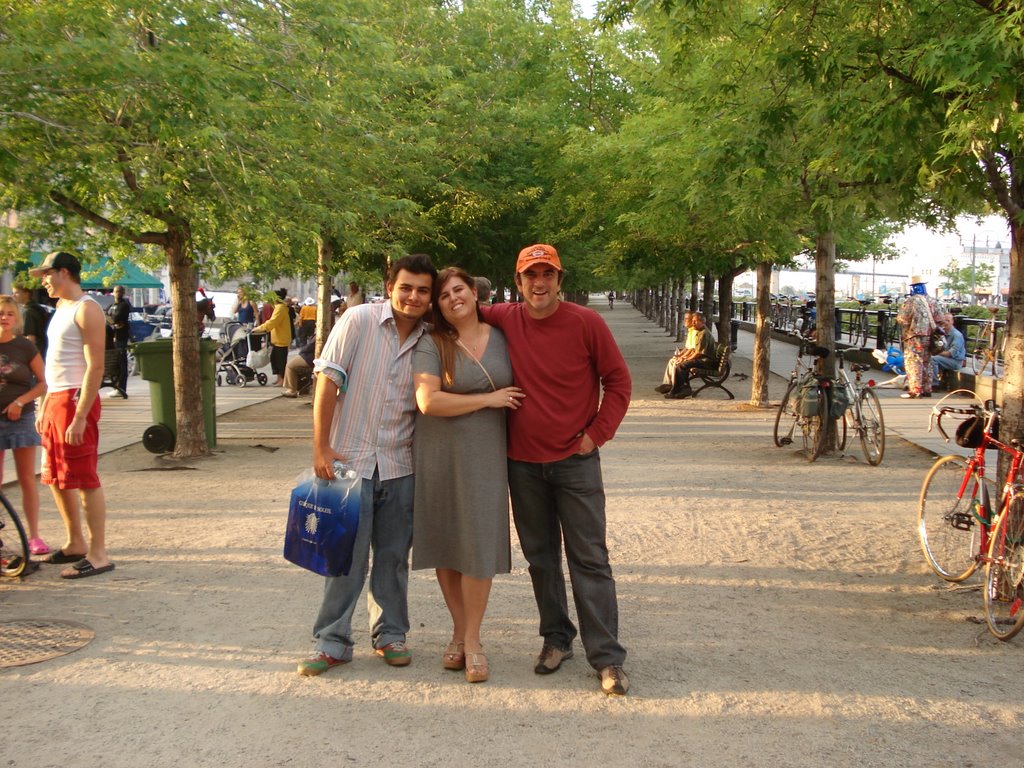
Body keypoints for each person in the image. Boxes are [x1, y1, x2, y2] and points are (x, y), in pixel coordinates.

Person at [481, 243, 632, 696]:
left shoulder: (587, 323)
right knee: (541, 559)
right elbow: (459, 305)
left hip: (576, 462)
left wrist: (595, 435)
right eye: (531, 275)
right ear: (519, 281)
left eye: (547, 274)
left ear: (560, 280)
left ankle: (607, 658)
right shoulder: (506, 317)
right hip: (523, 465)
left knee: (590, 558)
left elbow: (619, 381)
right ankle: (556, 639)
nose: (539, 283)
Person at [297, 253, 436, 677]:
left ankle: (391, 634)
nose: (413, 297)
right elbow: (327, 381)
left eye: (423, 290)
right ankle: (332, 640)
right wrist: (320, 447)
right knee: (344, 558)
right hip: (349, 462)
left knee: (393, 558)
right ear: (390, 285)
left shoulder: (431, 339)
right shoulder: (358, 321)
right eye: (406, 287)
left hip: (401, 463)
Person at [412, 267, 522, 684]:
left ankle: (472, 638)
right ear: (438, 306)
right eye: (443, 296)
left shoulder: (503, 336)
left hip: (485, 453)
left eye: (459, 290)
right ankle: (458, 629)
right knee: (446, 542)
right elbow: (428, 400)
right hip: (440, 451)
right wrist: (489, 398)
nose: (453, 298)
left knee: (477, 543)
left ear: (475, 293)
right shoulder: (432, 343)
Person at [29, 251, 113, 579]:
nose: (44, 281)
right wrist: (44, 402)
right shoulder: (62, 308)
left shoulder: (87, 309)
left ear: (64, 272)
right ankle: (75, 542)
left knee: (83, 476)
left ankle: (99, 553)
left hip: (75, 399)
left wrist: (79, 415)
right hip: (55, 398)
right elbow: (55, 361)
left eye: (48, 275)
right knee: (55, 475)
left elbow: (96, 365)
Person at [0, 295, 49, 555]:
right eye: (0, 313)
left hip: (21, 417)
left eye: (9, 313)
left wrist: (20, 402)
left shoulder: (25, 347)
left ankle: (34, 536)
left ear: (16, 318)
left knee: (27, 478)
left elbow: (42, 382)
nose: (4, 318)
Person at [897, 276, 943, 398]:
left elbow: (903, 319)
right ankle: (927, 388)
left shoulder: (911, 301)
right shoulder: (933, 301)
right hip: (930, 336)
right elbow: (940, 319)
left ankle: (915, 389)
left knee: (914, 361)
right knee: (927, 362)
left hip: (914, 336)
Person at [663, 312, 715, 399]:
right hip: (702, 359)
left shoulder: (704, 334)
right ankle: (682, 388)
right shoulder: (700, 332)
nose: (693, 323)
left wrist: (687, 359)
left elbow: (698, 353)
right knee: (682, 364)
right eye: (693, 321)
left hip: (706, 361)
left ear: (702, 322)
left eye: (695, 321)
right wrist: (684, 357)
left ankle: (677, 390)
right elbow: (693, 349)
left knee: (682, 366)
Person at [252, 289, 292, 386]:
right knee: (274, 359)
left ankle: (282, 380)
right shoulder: (278, 307)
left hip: (281, 339)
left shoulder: (281, 308)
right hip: (277, 339)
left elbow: (272, 322)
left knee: (280, 361)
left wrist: (259, 328)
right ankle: (279, 378)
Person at [655, 311, 694, 394]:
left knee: (677, 364)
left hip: (696, 358)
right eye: (685, 319)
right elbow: (687, 347)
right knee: (672, 360)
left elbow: (694, 350)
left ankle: (675, 386)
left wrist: (683, 357)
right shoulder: (691, 331)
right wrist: (680, 354)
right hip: (691, 356)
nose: (685, 321)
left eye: (687, 319)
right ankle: (667, 384)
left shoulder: (695, 333)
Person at [105, 285, 131, 399]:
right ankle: (116, 387)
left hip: (121, 337)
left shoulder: (124, 305)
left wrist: (112, 320)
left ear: (123, 292)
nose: (118, 293)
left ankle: (121, 388)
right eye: (116, 291)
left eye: (120, 291)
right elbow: (106, 316)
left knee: (121, 363)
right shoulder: (111, 305)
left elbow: (116, 318)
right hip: (111, 337)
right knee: (114, 363)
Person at [13, 284, 50, 358]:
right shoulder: (39, 308)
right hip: (44, 350)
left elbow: (30, 338)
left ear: (26, 293)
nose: (13, 296)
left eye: (17, 293)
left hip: (36, 352)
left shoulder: (28, 311)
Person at [932, 313, 966, 387]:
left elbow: (951, 353)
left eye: (948, 321)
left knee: (933, 359)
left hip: (956, 361)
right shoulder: (942, 333)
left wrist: (935, 352)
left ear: (952, 322)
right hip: (945, 359)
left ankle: (934, 384)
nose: (946, 323)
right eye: (944, 321)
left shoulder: (957, 335)